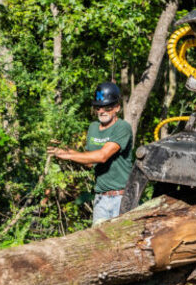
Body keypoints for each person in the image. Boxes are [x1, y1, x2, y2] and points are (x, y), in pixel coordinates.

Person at [47, 82, 133, 224]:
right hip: (100, 197)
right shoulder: (93, 128)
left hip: (121, 197)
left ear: (117, 107)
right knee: (99, 242)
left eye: (108, 107)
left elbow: (102, 156)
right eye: (98, 107)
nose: (102, 111)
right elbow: (90, 161)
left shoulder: (122, 127)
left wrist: (67, 154)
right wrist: (65, 150)